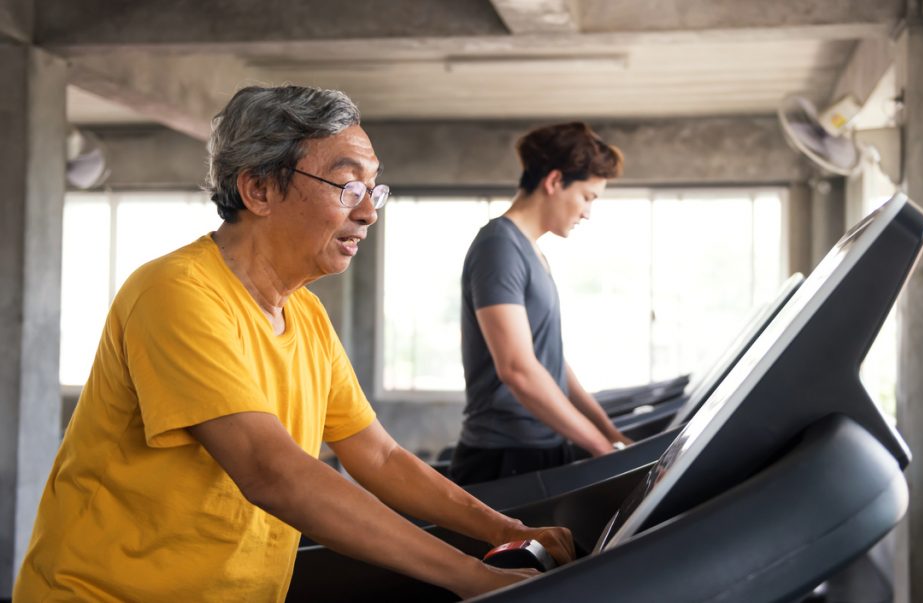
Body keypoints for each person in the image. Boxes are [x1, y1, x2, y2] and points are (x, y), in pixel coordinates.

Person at [14, 85, 572, 602]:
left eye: (373, 188)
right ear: (258, 189)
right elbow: (271, 471)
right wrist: (474, 577)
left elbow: (378, 456)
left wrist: (506, 530)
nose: (368, 211)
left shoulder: (304, 314)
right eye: (347, 186)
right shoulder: (176, 292)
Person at [451, 122, 633, 485]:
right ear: (554, 181)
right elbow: (517, 369)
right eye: (587, 197)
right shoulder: (499, 247)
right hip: (504, 456)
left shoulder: (531, 251)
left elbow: (552, 362)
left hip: (543, 446)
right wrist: (601, 447)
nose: (587, 212)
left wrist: (612, 435)